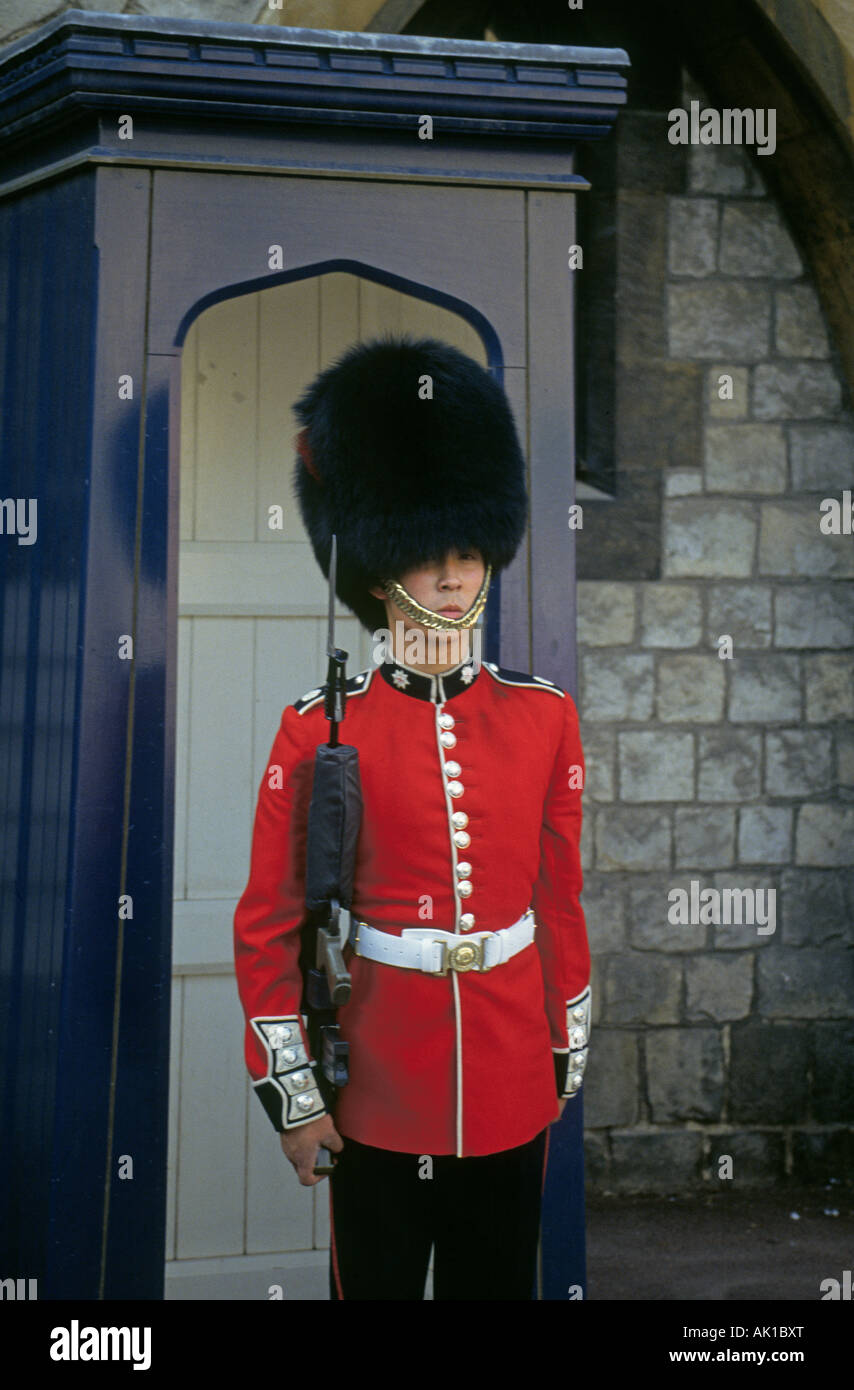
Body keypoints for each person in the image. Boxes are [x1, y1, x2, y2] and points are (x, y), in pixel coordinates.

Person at [233, 335, 591, 1301]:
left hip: (515, 1075)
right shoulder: (318, 731)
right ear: (383, 566)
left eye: (468, 553)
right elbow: (268, 927)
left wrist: (565, 1045)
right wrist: (297, 1099)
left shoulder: (543, 715)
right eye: (427, 555)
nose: (451, 577)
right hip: (380, 1091)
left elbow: (560, 898)